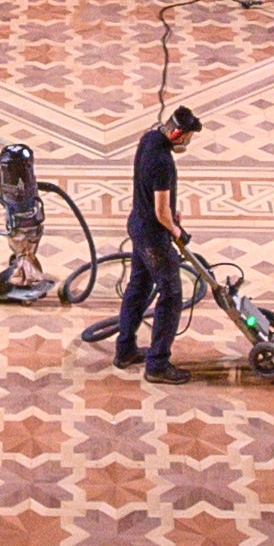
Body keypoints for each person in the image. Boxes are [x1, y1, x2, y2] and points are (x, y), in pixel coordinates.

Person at [95, 105, 201, 374]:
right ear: (177, 133)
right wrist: (179, 232)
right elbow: (161, 213)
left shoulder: (149, 139)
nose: (187, 142)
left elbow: (153, 193)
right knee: (172, 294)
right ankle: (158, 364)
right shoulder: (164, 162)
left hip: (137, 224)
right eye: (187, 136)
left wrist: (170, 212)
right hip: (153, 237)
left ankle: (125, 350)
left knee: (139, 286)